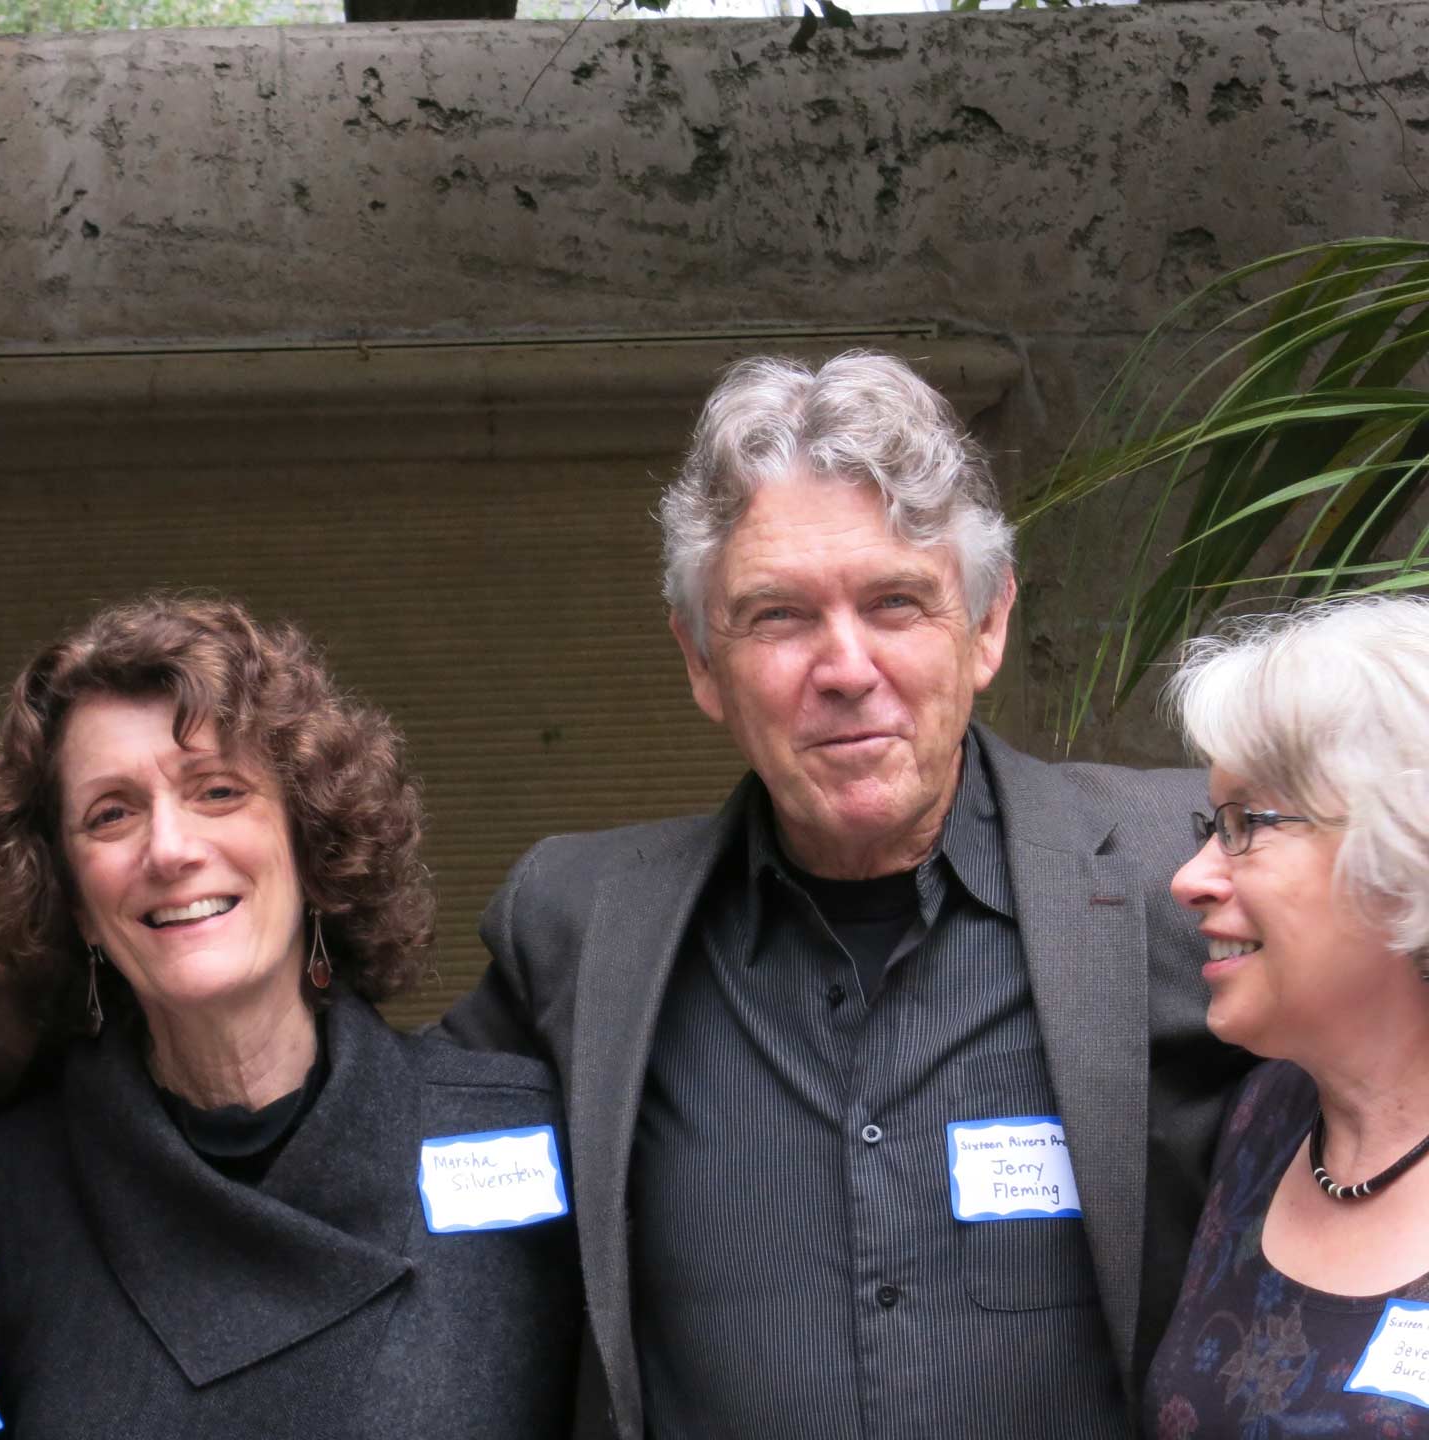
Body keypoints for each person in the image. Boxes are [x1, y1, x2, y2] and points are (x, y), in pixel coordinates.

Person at [442, 351, 1252, 1438]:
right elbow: (377, 1157)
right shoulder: (580, 930)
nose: (846, 668)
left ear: (988, 627)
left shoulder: (1186, 875)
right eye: (779, 616)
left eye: (896, 603)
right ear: (700, 661)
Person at [0, 594, 580, 1438]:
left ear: (310, 842)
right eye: (111, 813)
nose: (170, 849)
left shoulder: (527, 1136)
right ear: (73, 899)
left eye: (218, 790)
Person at [1145, 598, 1429, 1436]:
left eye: (1247, 824)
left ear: (1403, 849)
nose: (1188, 879)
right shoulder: (1263, 1118)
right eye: (1212, 824)